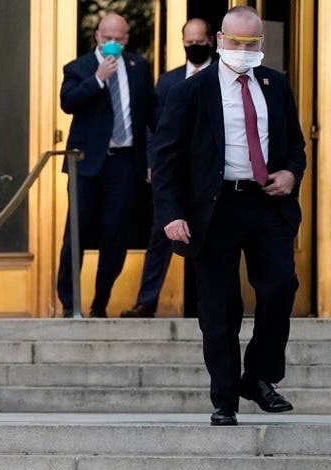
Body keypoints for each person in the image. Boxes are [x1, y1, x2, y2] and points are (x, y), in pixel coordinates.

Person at [152, 6, 305, 426]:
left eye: (249, 43)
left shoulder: (276, 85)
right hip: (213, 209)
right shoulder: (191, 91)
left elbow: (295, 145)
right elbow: (165, 157)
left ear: (260, 43)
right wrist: (171, 212)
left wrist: (291, 173)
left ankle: (257, 377)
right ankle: (224, 399)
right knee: (220, 309)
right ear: (219, 40)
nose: (241, 49)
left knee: (280, 286)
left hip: (266, 203)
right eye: (233, 41)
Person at [56, 12, 154, 317]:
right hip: (86, 164)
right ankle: (70, 304)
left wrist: (153, 158)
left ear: (126, 39)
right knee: (77, 234)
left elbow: (151, 114)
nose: (112, 43)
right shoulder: (78, 67)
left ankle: (100, 303)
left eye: (118, 39)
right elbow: (68, 102)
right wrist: (98, 78)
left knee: (116, 236)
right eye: (107, 38)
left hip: (124, 164)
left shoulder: (139, 67)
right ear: (97, 36)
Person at [122, 18, 216, 318]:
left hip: (211, 177)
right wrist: (152, 163)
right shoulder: (168, 82)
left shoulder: (222, 76)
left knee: (214, 239)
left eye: (199, 42)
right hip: (176, 176)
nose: (194, 47)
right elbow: (155, 129)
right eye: (188, 43)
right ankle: (147, 301)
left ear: (211, 41)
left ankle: (210, 306)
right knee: (160, 235)